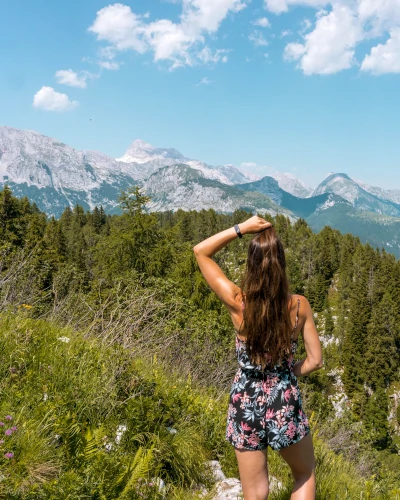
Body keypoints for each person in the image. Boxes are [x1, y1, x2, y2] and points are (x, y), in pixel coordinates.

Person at [193, 215, 323, 500]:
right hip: (283, 399)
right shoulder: (299, 306)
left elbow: (200, 251)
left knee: (256, 492)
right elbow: (315, 361)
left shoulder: (238, 302)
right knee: (304, 474)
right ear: (281, 264)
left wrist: (241, 229)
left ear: (251, 264)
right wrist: (287, 373)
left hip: (246, 401)